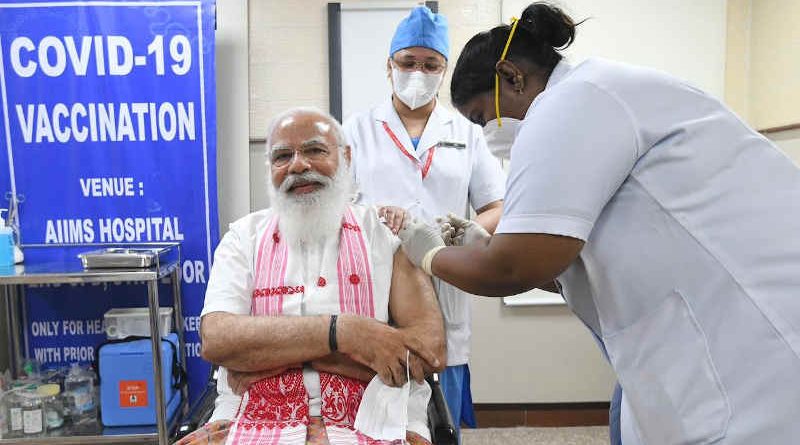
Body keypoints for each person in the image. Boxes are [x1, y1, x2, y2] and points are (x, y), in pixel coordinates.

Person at [397, 2, 800, 444]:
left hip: (752, 347)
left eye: (482, 117)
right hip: (690, 330)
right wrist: (481, 246)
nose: (488, 131)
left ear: (512, 76)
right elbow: (573, 265)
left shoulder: (572, 103)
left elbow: (512, 269)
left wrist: (432, 254)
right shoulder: (599, 93)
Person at [178, 107, 446, 445]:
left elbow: (428, 351)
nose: (298, 165)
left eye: (315, 150)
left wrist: (266, 355)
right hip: (255, 415)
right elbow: (217, 340)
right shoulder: (242, 239)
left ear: (345, 157)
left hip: (372, 415)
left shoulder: (386, 235)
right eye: (282, 156)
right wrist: (348, 334)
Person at [343, 6, 506, 436]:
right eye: (408, 62)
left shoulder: (468, 132)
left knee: (440, 413)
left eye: (430, 64)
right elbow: (337, 210)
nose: (418, 72)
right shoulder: (356, 131)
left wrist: (466, 233)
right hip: (375, 282)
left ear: (444, 70)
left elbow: (496, 205)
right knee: (377, 409)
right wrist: (373, 218)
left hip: (445, 278)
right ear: (389, 66)